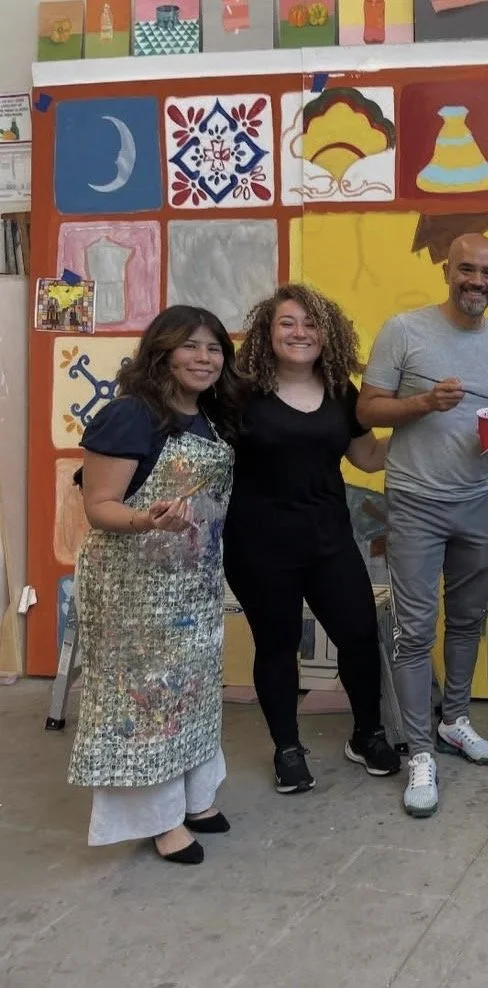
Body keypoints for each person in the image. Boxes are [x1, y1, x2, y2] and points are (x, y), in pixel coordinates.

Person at [69, 305, 244, 864]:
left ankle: (196, 799)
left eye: (214, 348)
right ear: (162, 352)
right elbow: (99, 508)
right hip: (132, 589)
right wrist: (149, 519)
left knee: (190, 696)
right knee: (147, 705)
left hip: (191, 585)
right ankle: (158, 820)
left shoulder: (210, 419)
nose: (204, 358)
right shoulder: (130, 416)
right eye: (190, 346)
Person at [358, 233, 488, 819]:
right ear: (448, 271)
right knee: (413, 629)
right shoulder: (405, 329)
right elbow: (368, 408)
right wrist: (423, 404)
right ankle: (419, 753)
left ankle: (454, 721)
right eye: (468, 270)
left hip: (477, 499)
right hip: (416, 501)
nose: (478, 281)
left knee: (470, 617)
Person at [225, 284, 399, 795]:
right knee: (278, 648)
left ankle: (366, 734)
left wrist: (422, 425)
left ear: (328, 334)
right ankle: (288, 748)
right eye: (287, 323)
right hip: (258, 546)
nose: (300, 332)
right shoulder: (239, 392)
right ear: (267, 331)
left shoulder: (342, 390)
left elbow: (366, 458)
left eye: (310, 324)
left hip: (327, 541)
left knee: (360, 637)